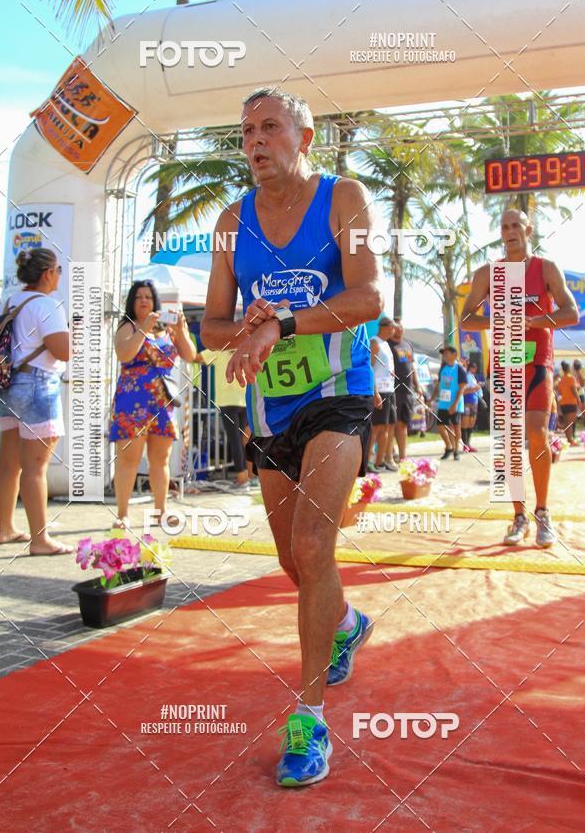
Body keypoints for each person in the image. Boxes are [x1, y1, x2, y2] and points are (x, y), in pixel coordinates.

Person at [201, 86, 383, 787]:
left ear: (304, 137)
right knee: (292, 562)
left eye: (270, 126)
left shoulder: (345, 199)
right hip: (270, 406)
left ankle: (309, 721)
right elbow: (210, 328)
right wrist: (244, 330)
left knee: (314, 543)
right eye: (246, 130)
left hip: (339, 391)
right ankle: (344, 623)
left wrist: (284, 321)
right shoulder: (228, 222)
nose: (255, 140)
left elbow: (369, 298)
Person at [461, 208, 579, 548]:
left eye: (516, 225)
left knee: (537, 435)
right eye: (504, 227)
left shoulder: (546, 268)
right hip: (504, 362)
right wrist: (497, 320)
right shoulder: (489, 273)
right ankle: (518, 516)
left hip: (537, 361)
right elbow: (467, 318)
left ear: (528, 229)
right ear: (501, 233)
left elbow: (570, 312)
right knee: (509, 445)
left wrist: (532, 321)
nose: (510, 231)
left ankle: (543, 512)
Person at [0, 248, 71, 554]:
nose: (58, 277)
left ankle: (4, 527)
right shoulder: (47, 305)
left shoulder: (10, 301)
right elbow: (62, 351)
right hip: (39, 384)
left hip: (9, 383)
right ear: (47, 274)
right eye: (57, 271)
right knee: (36, 467)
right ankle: (39, 539)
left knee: (9, 463)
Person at [109, 281, 196, 530]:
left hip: (161, 402)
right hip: (132, 401)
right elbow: (125, 354)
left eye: (148, 296)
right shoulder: (127, 327)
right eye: (139, 297)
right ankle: (123, 513)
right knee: (129, 458)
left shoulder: (168, 330)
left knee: (161, 459)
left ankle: (161, 511)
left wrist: (181, 330)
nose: (144, 301)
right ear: (132, 302)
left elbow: (190, 355)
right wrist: (143, 330)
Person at [194, 348, 256, 490]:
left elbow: (196, 357)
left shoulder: (220, 350)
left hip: (227, 402)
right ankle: (248, 477)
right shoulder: (245, 349)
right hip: (244, 400)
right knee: (243, 440)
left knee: (235, 441)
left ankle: (242, 479)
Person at [384, 319, 423, 462]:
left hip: (407, 391)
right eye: (395, 326)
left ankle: (403, 457)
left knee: (403, 424)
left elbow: (412, 368)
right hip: (392, 389)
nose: (399, 328)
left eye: (400, 325)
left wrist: (417, 385)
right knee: (390, 425)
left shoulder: (408, 345)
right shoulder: (386, 344)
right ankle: (389, 456)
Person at [368, 316, 397, 471]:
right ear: (386, 327)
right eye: (393, 327)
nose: (395, 330)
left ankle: (381, 461)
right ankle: (368, 461)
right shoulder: (375, 343)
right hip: (380, 390)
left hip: (390, 390)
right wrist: (375, 392)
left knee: (388, 426)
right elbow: (369, 368)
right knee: (377, 428)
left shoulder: (386, 344)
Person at [430, 345, 467, 460]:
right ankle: (448, 447)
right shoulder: (443, 368)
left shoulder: (459, 369)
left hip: (455, 403)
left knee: (456, 427)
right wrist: (431, 399)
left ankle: (456, 450)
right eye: (443, 354)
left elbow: (462, 387)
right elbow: (438, 385)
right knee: (441, 426)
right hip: (443, 403)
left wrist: (455, 404)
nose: (444, 356)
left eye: (447, 353)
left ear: (454, 354)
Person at [556, 360, 582, 445]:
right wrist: (579, 400)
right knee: (570, 423)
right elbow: (574, 390)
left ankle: (569, 439)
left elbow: (559, 392)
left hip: (563, 403)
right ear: (569, 368)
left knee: (567, 422)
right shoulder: (571, 378)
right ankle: (570, 439)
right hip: (571, 402)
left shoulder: (561, 379)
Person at [462, 360, 483, 452]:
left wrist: (477, 389)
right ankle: (465, 445)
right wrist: (476, 388)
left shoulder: (472, 377)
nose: (475, 370)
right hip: (467, 401)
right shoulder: (466, 376)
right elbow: (464, 390)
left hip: (474, 402)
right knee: (465, 423)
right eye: (474, 368)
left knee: (471, 422)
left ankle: (468, 444)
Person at [572, 358, 585, 432]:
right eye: (575, 365)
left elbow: (583, 384)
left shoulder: (583, 370)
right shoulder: (570, 369)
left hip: (580, 393)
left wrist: (578, 372)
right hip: (572, 394)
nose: (576, 366)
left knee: (584, 412)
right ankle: (573, 435)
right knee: (573, 414)